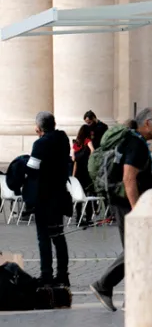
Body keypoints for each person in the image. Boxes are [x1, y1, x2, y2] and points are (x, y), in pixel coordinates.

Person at [90, 107, 152, 311]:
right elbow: (129, 178)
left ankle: (129, 297)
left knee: (139, 250)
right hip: (127, 204)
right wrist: (137, 211)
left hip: (124, 203)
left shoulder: (135, 141)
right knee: (136, 250)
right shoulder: (136, 144)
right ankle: (104, 285)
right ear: (147, 123)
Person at [24, 112, 72, 287]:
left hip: (43, 197)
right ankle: (63, 275)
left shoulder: (40, 143)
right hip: (60, 195)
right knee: (58, 236)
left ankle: (46, 275)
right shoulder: (63, 140)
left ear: (39, 127)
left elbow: (32, 168)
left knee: (43, 237)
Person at [72, 124, 95, 226]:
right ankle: (89, 217)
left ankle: (78, 216)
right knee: (88, 194)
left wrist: (73, 175)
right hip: (86, 171)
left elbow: (74, 159)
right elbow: (93, 150)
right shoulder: (87, 141)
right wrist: (90, 159)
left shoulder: (76, 143)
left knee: (79, 195)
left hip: (78, 173)